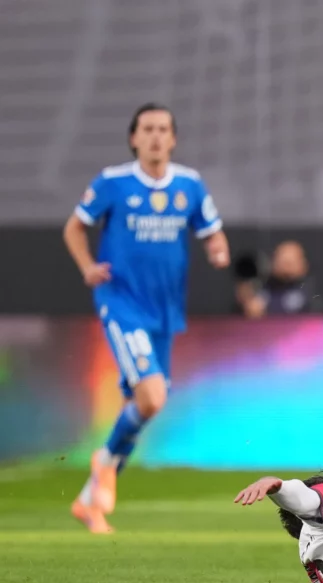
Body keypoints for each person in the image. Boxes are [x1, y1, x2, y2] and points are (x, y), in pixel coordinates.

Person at [63, 102, 231, 533]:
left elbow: (211, 229)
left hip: (164, 309)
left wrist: (217, 248)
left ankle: (89, 501)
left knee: (143, 405)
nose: (155, 136)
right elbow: (74, 227)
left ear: (173, 138)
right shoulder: (113, 182)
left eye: (163, 129)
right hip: (121, 302)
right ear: (134, 137)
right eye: (147, 129)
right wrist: (86, 267)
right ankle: (104, 463)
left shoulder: (189, 184)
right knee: (152, 396)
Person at [236, 241, 323, 318]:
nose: (286, 267)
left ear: (303, 264)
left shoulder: (309, 291)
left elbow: (317, 319)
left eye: (290, 262)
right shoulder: (262, 288)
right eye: (282, 261)